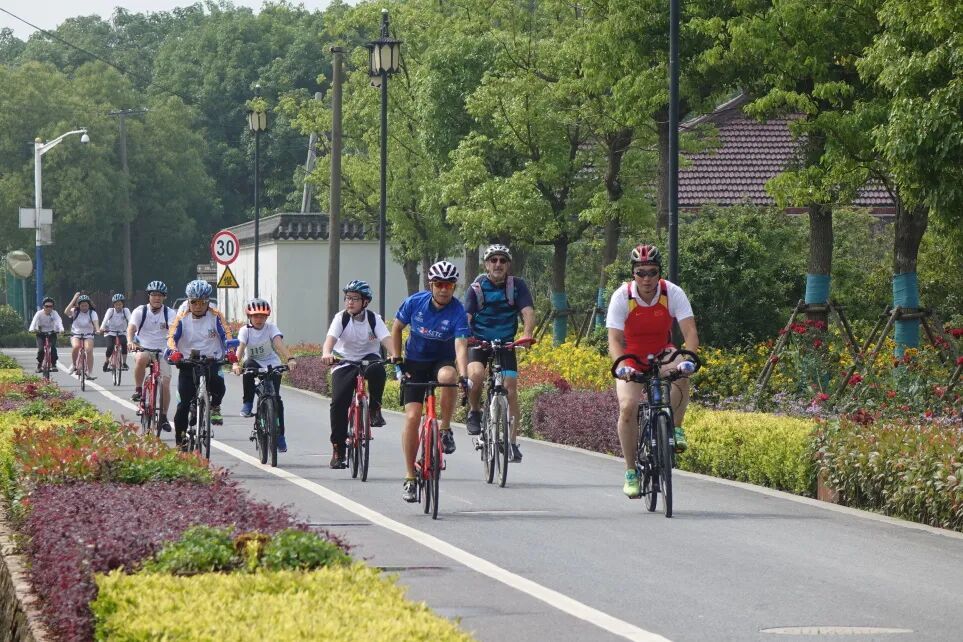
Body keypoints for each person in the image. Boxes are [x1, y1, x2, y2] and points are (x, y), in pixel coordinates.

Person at [606, 244, 699, 498]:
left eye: (652, 272)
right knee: (628, 407)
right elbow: (614, 339)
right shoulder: (622, 296)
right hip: (631, 357)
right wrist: (622, 367)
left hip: (662, 352)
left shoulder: (672, 292)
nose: (646, 278)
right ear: (633, 273)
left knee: (681, 372)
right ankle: (630, 472)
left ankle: (676, 427)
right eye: (641, 272)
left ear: (659, 273)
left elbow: (690, 332)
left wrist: (688, 359)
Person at [392, 261, 472, 503]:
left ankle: (445, 429)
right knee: (412, 417)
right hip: (415, 362)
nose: (444, 289)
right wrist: (397, 361)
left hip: (441, 360)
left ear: (454, 287)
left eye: (449, 285)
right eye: (439, 284)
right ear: (431, 285)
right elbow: (396, 328)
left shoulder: (458, 311)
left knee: (448, 377)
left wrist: (464, 375)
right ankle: (410, 477)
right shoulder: (414, 302)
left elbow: (460, 345)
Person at [464, 244, 536, 462]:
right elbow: (466, 317)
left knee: (510, 389)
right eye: (493, 260)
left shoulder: (517, 286)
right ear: (486, 264)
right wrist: (466, 337)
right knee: (475, 376)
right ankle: (474, 411)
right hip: (479, 342)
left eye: (502, 261)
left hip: (506, 344)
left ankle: (511, 443)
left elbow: (528, 312)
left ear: (508, 265)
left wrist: (527, 334)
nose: (498, 264)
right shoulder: (476, 288)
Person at [321, 280, 397, 469]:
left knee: (378, 369)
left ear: (365, 302)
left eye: (355, 299)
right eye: (347, 298)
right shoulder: (341, 318)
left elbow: (386, 338)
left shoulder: (373, 319)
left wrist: (395, 354)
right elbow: (330, 340)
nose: (350, 302)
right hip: (344, 360)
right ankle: (338, 450)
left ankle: (374, 410)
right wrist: (327, 353)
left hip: (369, 358)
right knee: (338, 403)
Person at [167, 280, 236, 449]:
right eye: (194, 302)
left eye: (202, 302)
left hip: (211, 359)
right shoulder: (181, 316)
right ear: (188, 301)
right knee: (182, 407)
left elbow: (226, 334)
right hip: (187, 361)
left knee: (219, 385)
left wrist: (230, 351)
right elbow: (171, 337)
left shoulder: (216, 315)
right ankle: (180, 444)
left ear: (208, 302)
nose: (198, 306)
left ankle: (214, 406)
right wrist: (174, 352)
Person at [232, 298, 296, 453]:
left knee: (276, 400)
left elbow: (278, 343)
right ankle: (248, 403)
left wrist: (290, 358)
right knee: (248, 366)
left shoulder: (271, 328)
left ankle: (279, 436)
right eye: (256, 316)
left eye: (262, 316)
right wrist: (235, 364)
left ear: (267, 317)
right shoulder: (245, 330)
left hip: (271, 364)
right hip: (254, 363)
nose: (259, 319)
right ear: (250, 316)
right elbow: (240, 348)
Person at [128, 281, 177, 433]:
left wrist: (174, 346)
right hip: (143, 347)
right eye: (154, 295)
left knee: (166, 383)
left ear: (164, 297)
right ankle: (138, 390)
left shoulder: (169, 313)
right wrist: (130, 341)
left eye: (160, 295)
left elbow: (173, 330)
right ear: (149, 296)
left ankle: (163, 417)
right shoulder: (140, 311)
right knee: (141, 358)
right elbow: (131, 328)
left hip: (163, 351)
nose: (157, 298)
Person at [64, 292, 98, 379]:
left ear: (89, 305)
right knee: (76, 346)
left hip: (88, 335)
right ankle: (74, 364)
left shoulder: (92, 313)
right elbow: (66, 312)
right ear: (79, 305)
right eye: (82, 306)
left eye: (86, 305)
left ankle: (89, 372)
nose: (84, 307)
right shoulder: (75, 311)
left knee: (89, 350)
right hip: (76, 334)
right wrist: (74, 299)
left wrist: (97, 330)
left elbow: (96, 323)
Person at [28, 297, 64, 372]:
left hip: (52, 333)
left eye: (51, 306)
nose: (48, 308)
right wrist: (31, 329)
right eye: (46, 306)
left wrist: (61, 329)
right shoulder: (39, 313)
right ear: (43, 306)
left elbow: (59, 321)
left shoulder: (54, 313)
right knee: (41, 350)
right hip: (40, 333)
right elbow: (34, 321)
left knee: (53, 348)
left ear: (53, 307)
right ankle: (39, 365)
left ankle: (53, 364)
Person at [99, 293, 131, 372]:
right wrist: (102, 328)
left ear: (123, 304)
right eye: (116, 304)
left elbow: (130, 320)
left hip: (122, 332)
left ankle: (124, 363)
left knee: (124, 343)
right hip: (110, 332)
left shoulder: (126, 310)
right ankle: (106, 361)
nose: (118, 306)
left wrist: (131, 329)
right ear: (113, 305)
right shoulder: (110, 311)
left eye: (120, 304)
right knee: (110, 347)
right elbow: (105, 320)